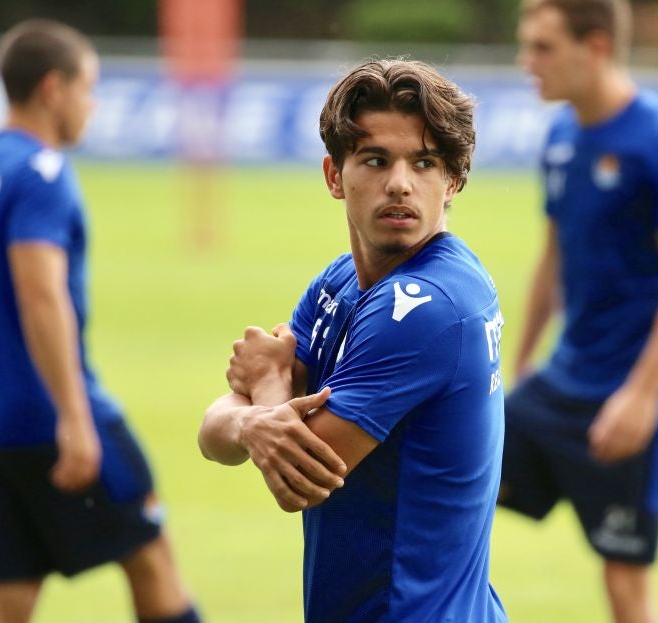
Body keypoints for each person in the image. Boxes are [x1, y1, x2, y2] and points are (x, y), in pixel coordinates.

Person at [198, 59, 508, 622]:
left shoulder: (428, 305)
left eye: (425, 163)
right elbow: (214, 434)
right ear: (334, 176)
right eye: (375, 159)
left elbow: (300, 477)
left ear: (454, 181)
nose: (399, 182)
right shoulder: (340, 282)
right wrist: (252, 421)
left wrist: (265, 390)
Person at [0, 19, 200, 623]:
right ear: (53, 89)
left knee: (11, 592)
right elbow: (41, 295)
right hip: (49, 417)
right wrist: (75, 418)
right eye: (89, 88)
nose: (93, 105)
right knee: (152, 558)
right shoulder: (42, 174)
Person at [498, 1, 658, 622]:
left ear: (593, 47)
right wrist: (520, 364)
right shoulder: (563, 136)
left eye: (541, 47)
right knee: (447, 488)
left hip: (635, 394)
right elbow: (554, 257)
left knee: (624, 583)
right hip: (560, 385)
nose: (526, 62)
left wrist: (643, 395)